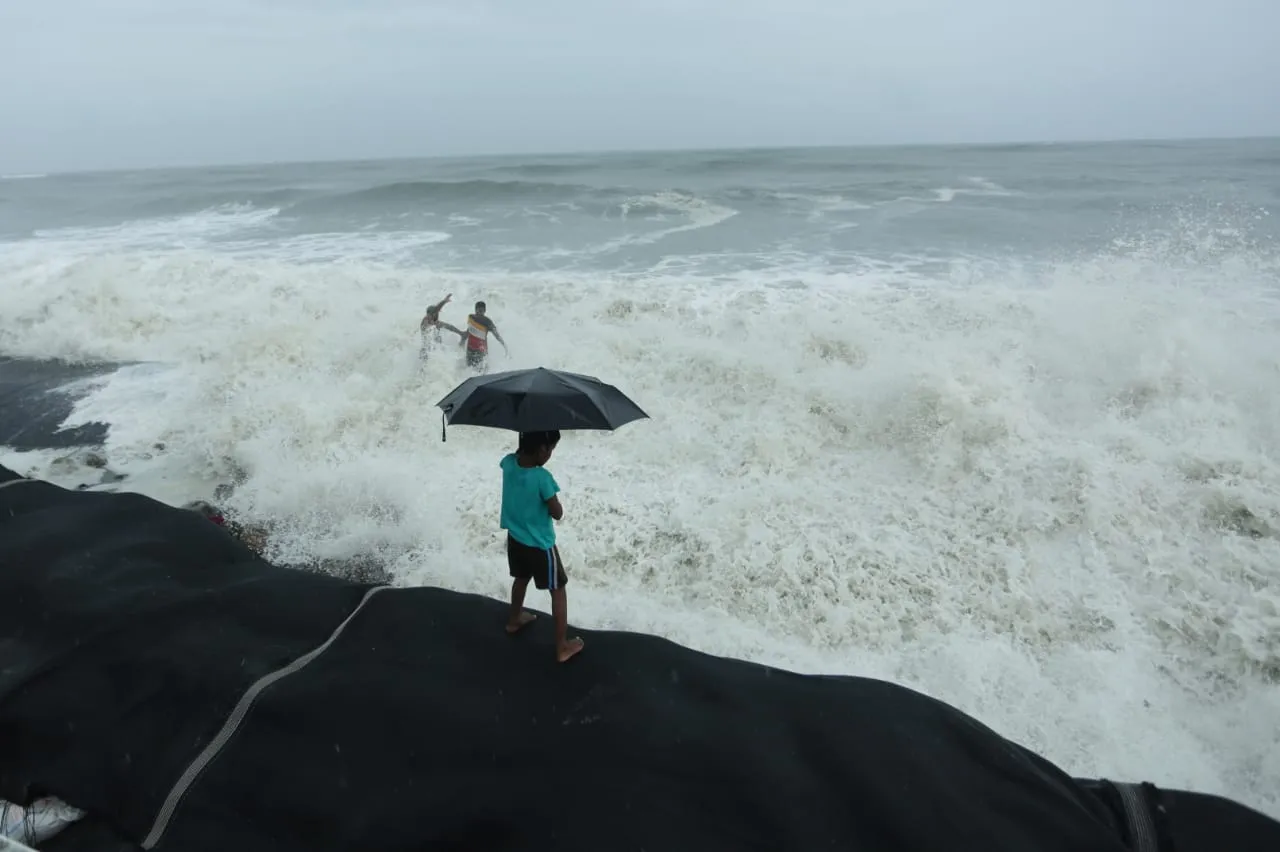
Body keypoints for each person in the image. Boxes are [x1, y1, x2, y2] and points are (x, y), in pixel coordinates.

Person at [499, 430, 584, 663]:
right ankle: (562, 647)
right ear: (542, 449)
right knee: (558, 590)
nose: (550, 455)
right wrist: (553, 503)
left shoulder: (508, 463)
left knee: (521, 577)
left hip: (515, 538)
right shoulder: (542, 478)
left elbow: (515, 462)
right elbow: (557, 513)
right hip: (539, 544)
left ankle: (514, 620)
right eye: (551, 449)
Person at [419, 293, 467, 360]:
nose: (431, 316)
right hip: (426, 351)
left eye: (435, 314)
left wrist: (444, 301)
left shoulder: (435, 318)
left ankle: (462, 334)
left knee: (440, 334)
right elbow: (430, 321)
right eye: (429, 315)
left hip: (435, 349)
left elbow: (437, 309)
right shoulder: (426, 320)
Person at [463, 300, 507, 371]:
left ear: (485, 311)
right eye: (478, 311)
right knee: (469, 369)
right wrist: (462, 340)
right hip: (470, 349)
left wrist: (504, 346)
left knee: (481, 371)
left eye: (481, 311)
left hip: (481, 351)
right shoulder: (471, 318)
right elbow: (469, 331)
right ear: (475, 310)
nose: (480, 313)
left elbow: (497, 335)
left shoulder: (488, 322)